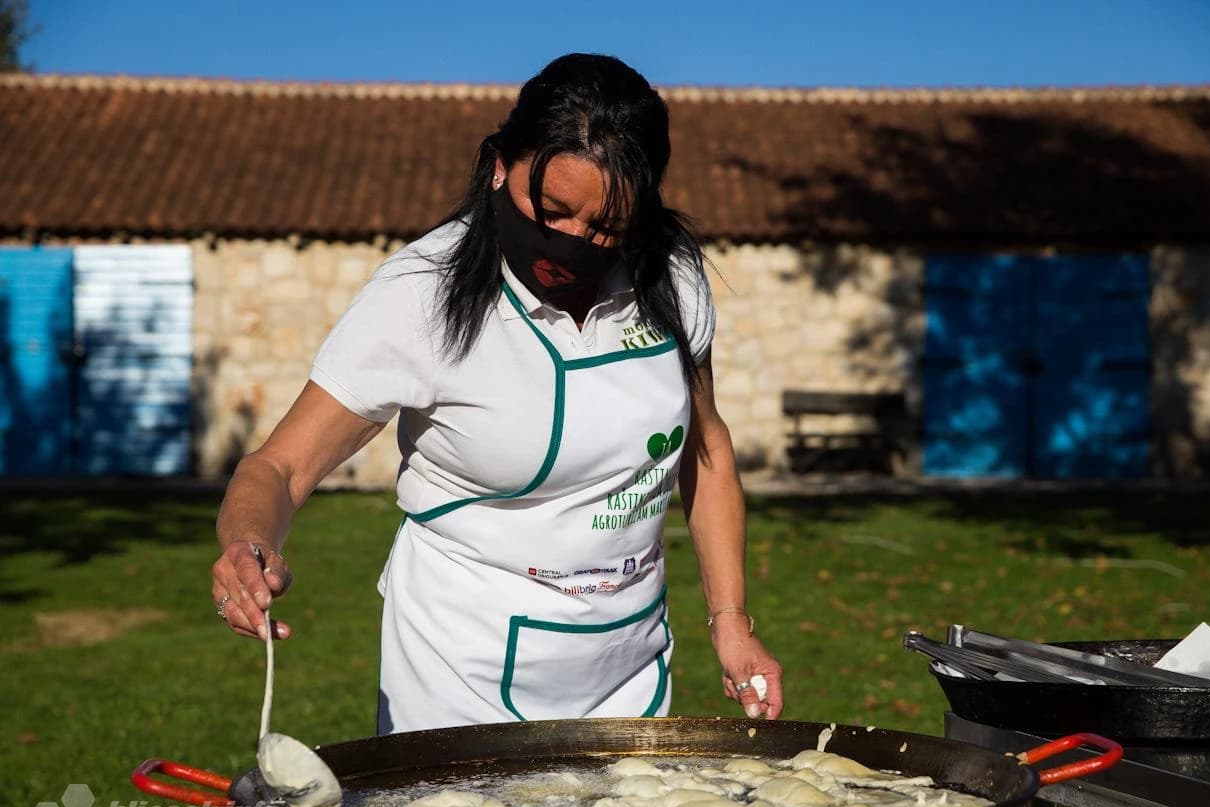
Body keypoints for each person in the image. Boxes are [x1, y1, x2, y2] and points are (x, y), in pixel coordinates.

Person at [209, 53, 784, 734]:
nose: (573, 242)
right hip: (460, 672)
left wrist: (731, 622)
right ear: (500, 167)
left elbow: (706, 447)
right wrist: (247, 547)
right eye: (552, 211)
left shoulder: (670, 274)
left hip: (625, 662)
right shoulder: (421, 294)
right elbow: (280, 466)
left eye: (605, 228)